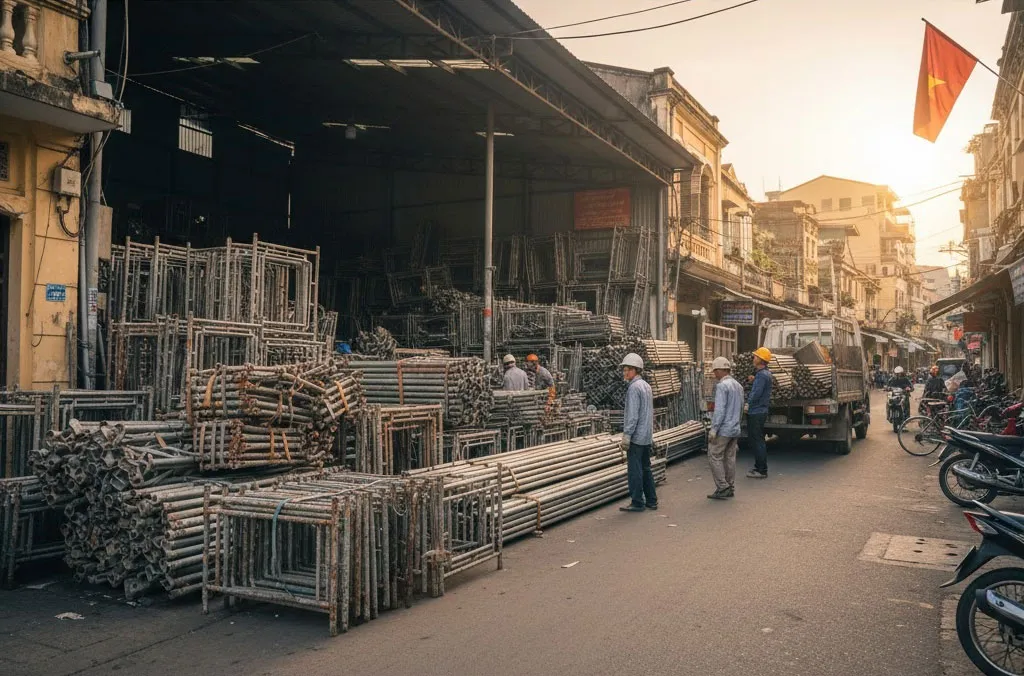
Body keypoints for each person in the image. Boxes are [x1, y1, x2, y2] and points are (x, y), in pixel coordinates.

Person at [618, 353, 657, 512]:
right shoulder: (646, 386)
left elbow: (633, 415)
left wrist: (627, 435)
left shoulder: (634, 388)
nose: (625, 373)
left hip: (636, 437)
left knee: (635, 471)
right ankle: (652, 500)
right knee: (646, 468)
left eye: (627, 369)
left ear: (636, 370)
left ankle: (637, 502)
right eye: (624, 370)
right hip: (646, 436)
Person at [707, 357, 743, 500]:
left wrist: (714, 429)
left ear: (721, 370)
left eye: (715, 371)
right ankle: (730, 485)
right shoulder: (738, 386)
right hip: (735, 428)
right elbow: (740, 409)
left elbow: (720, 410)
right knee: (730, 457)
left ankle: (722, 487)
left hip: (724, 429)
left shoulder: (722, 386)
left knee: (714, 455)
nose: (715, 374)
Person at [746, 346, 773, 479]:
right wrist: (754, 380)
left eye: (756, 356)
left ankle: (761, 470)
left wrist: (747, 404)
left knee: (757, 440)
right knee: (757, 439)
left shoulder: (762, 376)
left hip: (756, 411)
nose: (753, 358)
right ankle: (759, 467)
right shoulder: (763, 374)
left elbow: (756, 393)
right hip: (760, 410)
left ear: (761, 360)